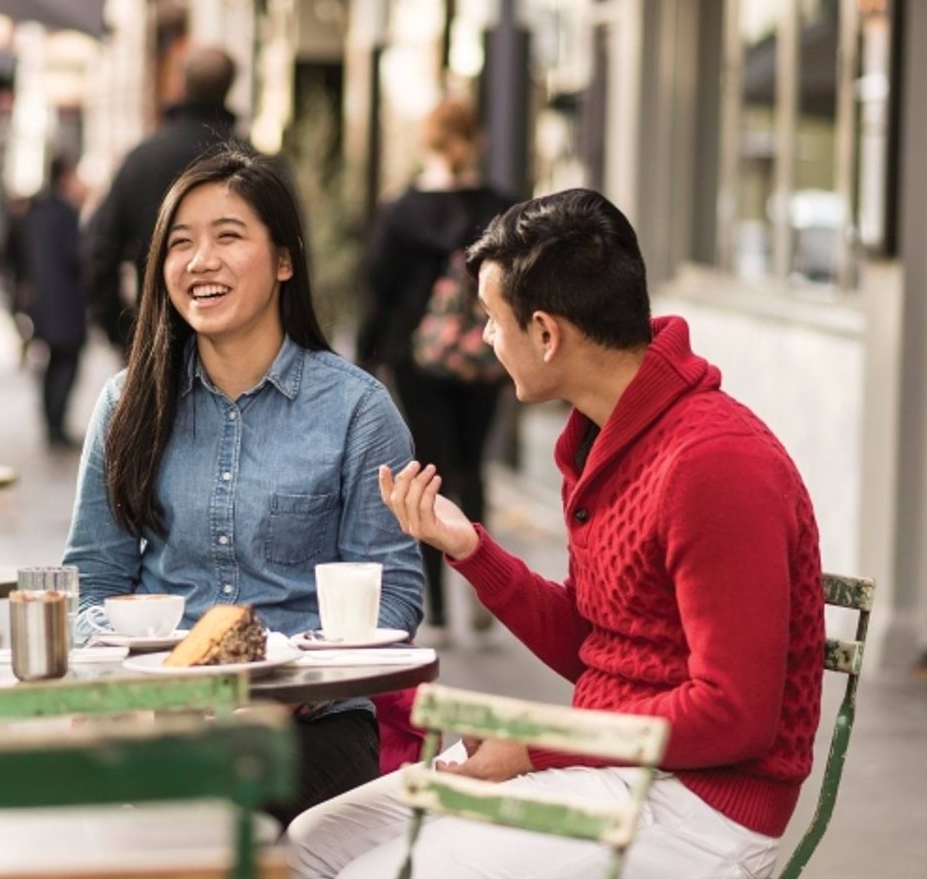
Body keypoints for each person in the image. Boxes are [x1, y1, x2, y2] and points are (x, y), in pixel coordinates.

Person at [289, 189, 826, 879]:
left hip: (702, 807)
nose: (483, 336)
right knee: (312, 840)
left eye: (490, 318)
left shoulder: (715, 463)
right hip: (612, 767)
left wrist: (537, 743)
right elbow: (594, 645)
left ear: (545, 333)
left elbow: (735, 715)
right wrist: (471, 550)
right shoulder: (604, 443)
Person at [64, 146, 425, 823]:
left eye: (228, 236)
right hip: (158, 709)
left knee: (214, 795)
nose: (201, 260)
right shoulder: (126, 402)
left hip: (309, 724)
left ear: (284, 260)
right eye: (181, 244)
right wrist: (136, 673)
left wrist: (292, 687)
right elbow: (91, 579)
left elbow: (395, 593)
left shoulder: (357, 409)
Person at [358, 97, 515, 633]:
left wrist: (367, 355)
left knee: (429, 470)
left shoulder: (403, 210)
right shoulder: (500, 206)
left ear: (429, 142)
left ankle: (440, 605)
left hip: (416, 356)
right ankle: (482, 585)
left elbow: (377, 286)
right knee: (472, 467)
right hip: (485, 351)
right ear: (478, 140)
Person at [82, 46, 240, 350]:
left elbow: (97, 250)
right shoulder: (252, 161)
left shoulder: (143, 159)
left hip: (159, 341)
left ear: (180, 84)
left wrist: (125, 333)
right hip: (235, 345)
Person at [23, 156, 89, 448]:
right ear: (65, 177)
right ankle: (56, 426)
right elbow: (77, 256)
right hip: (66, 301)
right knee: (66, 363)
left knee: (52, 363)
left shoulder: (35, 213)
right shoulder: (65, 214)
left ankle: (50, 424)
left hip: (41, 299)